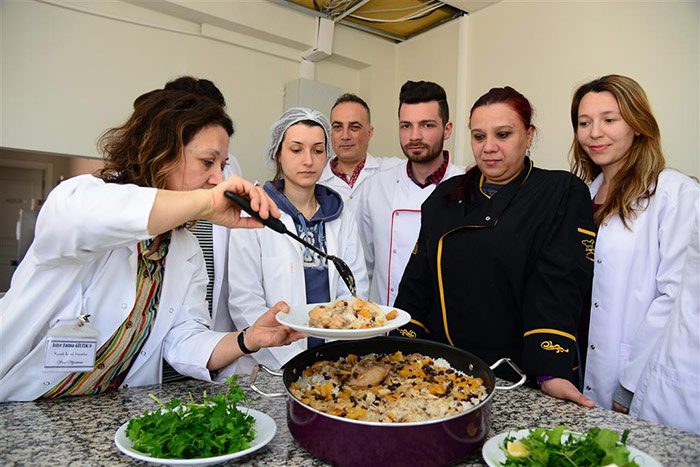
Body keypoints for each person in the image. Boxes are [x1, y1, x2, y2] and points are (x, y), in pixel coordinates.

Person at [0, 81, 304, 402]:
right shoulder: (82, 198)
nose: (218, 178)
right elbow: (108, 214)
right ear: (162, 153)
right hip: (22, 403)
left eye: (222, 165)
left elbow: (182, 340)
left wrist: (248, 339)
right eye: (207, 162)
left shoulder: (185, 250)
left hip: (107, 411)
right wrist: (206, 202)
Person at [392, 86, 596, 407]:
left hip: (520, 373)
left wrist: (550, 371)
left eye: (503, 134)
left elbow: (559, 284)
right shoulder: (445, 198)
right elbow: (417, 286)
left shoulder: (560, 192)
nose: (489, 148)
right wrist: (399, 349)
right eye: (478, 136)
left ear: (529, 136)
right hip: (445, 370)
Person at [570, 74, 699, 412]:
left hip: (636, 376)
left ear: (638, 124)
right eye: (584, 122)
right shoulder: (581, 197)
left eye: (609, 120)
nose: (594, 132)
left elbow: (674, 297)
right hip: (577, 362)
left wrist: (629, 386)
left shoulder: (673, 193)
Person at [226, 107, 369, 374]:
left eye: (317, 150)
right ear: (277, 154)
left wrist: (337, 350)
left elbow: (354, 287)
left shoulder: (339, 213)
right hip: (272, 362)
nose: (308, 160)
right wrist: (287, 356)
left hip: (334, 360)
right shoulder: (255, 213)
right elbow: (245, 299)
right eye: (296, 149)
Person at [357, 81, 463, 306]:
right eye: (406, 126)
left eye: (427, 125)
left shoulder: (466, 186)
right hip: (383, 323)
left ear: (447, 129)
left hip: (441, 329)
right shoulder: (375, 188)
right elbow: (362, 265)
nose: (414, 136)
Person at [630, 196, 699, 434]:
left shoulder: (678, 192)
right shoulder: (583, 192)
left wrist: (629, 384)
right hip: (588, 350)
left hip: (676, 378)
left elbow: (672, 296)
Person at [319, 93, 401, 215]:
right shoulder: (316, 180)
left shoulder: (394, 169)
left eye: (354, 127)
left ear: (370, 132)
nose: (345, 136)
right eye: (338, 127)